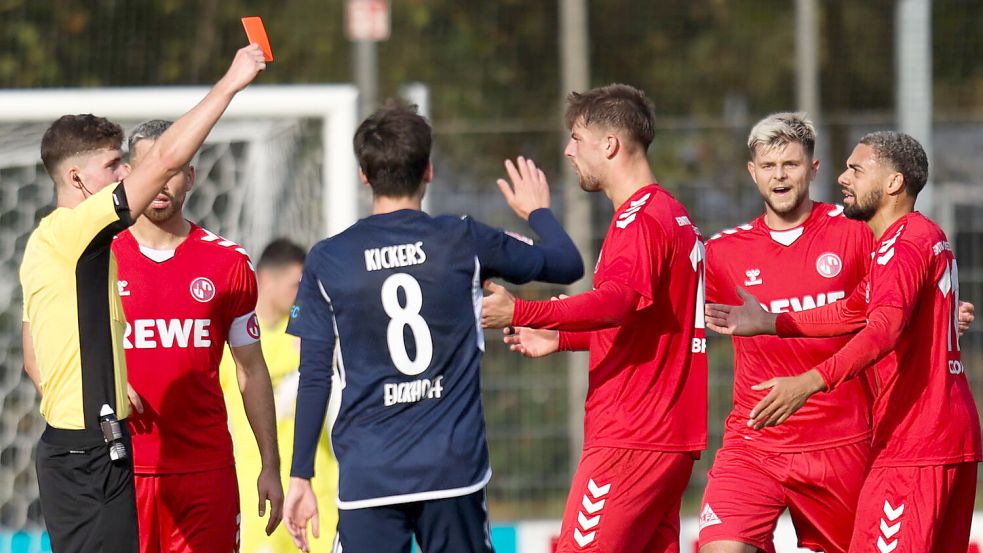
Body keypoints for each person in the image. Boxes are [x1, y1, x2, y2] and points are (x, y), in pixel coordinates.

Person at [282, 101, 583, 553]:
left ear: (364, 174)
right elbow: (567, 263)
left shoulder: (329, 258)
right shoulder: (464, 239)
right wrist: (537, 211)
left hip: (370, 474)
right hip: (452, 469)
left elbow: (315, 377)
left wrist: (301, 474)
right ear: (429, 170)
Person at [18, 45, 266, 553]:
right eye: (115, 165)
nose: (125, 176)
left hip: (115, 452)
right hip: (89, 452)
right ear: (77, 178)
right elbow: (167, 159)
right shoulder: (79, 233)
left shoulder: (65, 244)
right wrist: (230, 84)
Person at [706, 131, 982, 552]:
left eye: (856, 169)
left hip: (914, 441)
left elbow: (882, 330)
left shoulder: (899, 244)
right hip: (942, 436)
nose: (842, 178)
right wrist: (772, 322)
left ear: (892, 183)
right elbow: (851, 310)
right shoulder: (916, 237)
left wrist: (809, 382)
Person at [482, 84, 706, 553]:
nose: (568, 150)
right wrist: (559, 338)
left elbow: (618, 301)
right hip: (669, 441)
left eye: (577, 139)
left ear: (610, 145)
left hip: (631, 438)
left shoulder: (639, 221)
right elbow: (653, 326)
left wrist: (523, 309)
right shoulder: (674, 215)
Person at [114, 119, 283, 553]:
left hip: (205, 474)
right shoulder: (100, 259)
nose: (162, 180)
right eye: (151, 167)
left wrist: (270, 464)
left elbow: (251, 370)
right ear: (130, 175)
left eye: (173, 168)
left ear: (190, 177)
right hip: (121, 470)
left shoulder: (227, 264)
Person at [220, 238, 339, 553]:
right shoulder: (229, 346)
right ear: (266, 280)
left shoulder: (312, 335)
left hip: (315, 493)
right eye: (295, 283)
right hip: (257, 496)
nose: (301, 292)